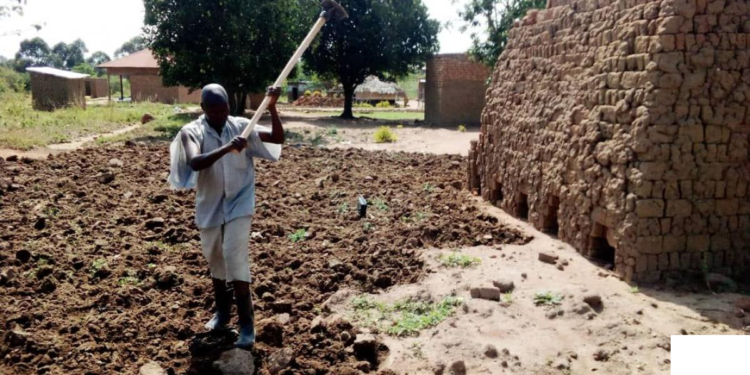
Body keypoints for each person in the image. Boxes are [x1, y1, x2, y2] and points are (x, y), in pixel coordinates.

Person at [167, 83, 284, 349]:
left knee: (234, 257)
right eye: (215, 111)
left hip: (240, 202)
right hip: (210, 205)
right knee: (215, 260)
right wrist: (227, 149)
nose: (221, 114)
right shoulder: (191, 131)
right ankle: (222, 316)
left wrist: (273, 108)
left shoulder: (242, 125)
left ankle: (247, 326)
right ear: (203, 109)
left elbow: (278, 138)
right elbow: (195, 161)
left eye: (224, 109)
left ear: (229, 107)